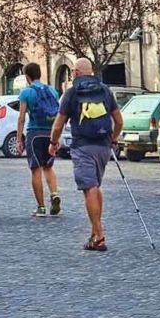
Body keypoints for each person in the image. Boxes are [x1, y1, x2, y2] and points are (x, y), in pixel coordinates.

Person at [48, 57, 123, 252]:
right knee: (95, 187)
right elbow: (119, 121)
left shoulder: (72, 92)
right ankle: (94, 232)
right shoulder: (105, 90)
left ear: (76, 72)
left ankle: (99, 236)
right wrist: (113, 138)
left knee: (89, 188)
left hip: (82, 146)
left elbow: (58, 124)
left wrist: (53, 143)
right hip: (103, 147)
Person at [15, 62, 62, 217]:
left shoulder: (26, 92)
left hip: (34, 133)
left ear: (27, 76)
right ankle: (54, 194)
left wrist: (19, 139)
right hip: (50, 133)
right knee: (48, 167)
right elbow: (58, 115)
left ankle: (41, 207)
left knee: (36, 170)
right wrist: (57, 137)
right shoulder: (52, 91)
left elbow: (21, 118)